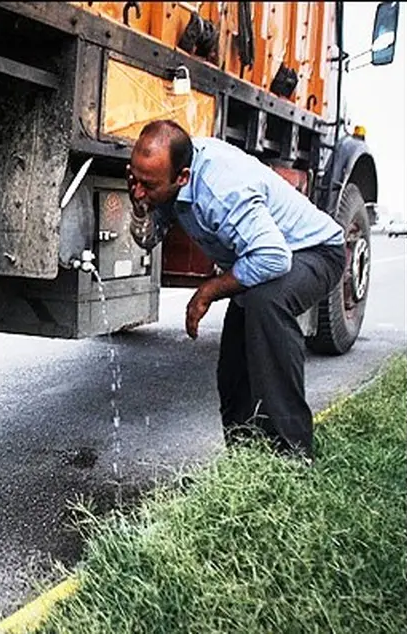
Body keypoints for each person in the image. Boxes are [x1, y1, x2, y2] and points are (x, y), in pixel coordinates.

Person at [126, 119, 345, 461]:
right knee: (234, 364)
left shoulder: (221, 190)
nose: (139, 190)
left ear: (182, 178)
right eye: (134, 179)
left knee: (265, 302)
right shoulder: (167, 175)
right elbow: (148, 240)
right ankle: (244, 459)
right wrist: (141, 207)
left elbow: (274, 258)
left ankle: (293, 457)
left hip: (316, 252)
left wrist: (208, 290)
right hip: (265, 257)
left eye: (148, 185)